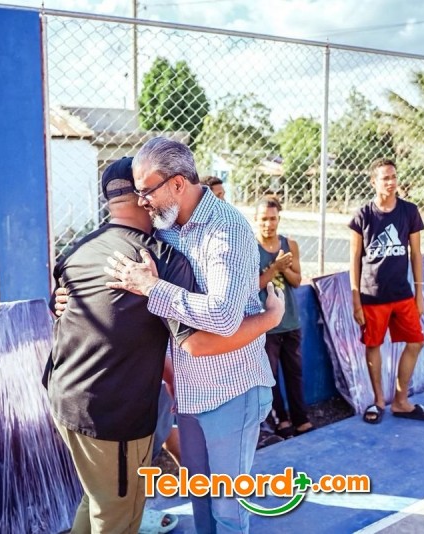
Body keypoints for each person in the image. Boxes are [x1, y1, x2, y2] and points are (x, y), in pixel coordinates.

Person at [44, 157, 283, 534]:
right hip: (111, 413)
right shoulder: (157, 255)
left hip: (64, 396)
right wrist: (270, 319)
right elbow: (198, 343)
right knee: (118, 511)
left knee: (100, 497)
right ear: (143, 197)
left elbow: (69, 302)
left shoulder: (80, 249)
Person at [106, 137, 275, 534]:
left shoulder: (226, 229)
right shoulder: (166, 226)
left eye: (147, 190)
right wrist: (63, 296)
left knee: (228, 508)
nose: (142, 201)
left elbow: (223, 316)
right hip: (190, 392)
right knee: (201, 495)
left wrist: (152, 288)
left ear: (178, 184)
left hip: (232, 391)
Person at [349, 158, 424, 424]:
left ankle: (400, 400)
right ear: (373, 182)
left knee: (416, 341)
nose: (391, 182)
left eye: (394, 176)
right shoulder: (363, 215)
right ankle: (378, 401)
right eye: (385, 178)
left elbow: (416, 254)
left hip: (402, 294)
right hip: (372, 295)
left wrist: (419, 294)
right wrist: (356, 299)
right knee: (373, 344)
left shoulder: (409, 211)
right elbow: (354, 259)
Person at [254, 195, 314, 438]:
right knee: (271, 376)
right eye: (264, 219)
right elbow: (254, 286)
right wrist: (275, 267)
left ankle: (301, 418)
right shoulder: (251, 247)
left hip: (290, 322)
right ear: (256, 220)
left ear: (279, 219)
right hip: (266, 325)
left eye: (273, 219)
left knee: (294, 372)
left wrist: (285, 267)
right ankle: (282, 419)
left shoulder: (290, 245)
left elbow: (297, 281)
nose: (268, 224)